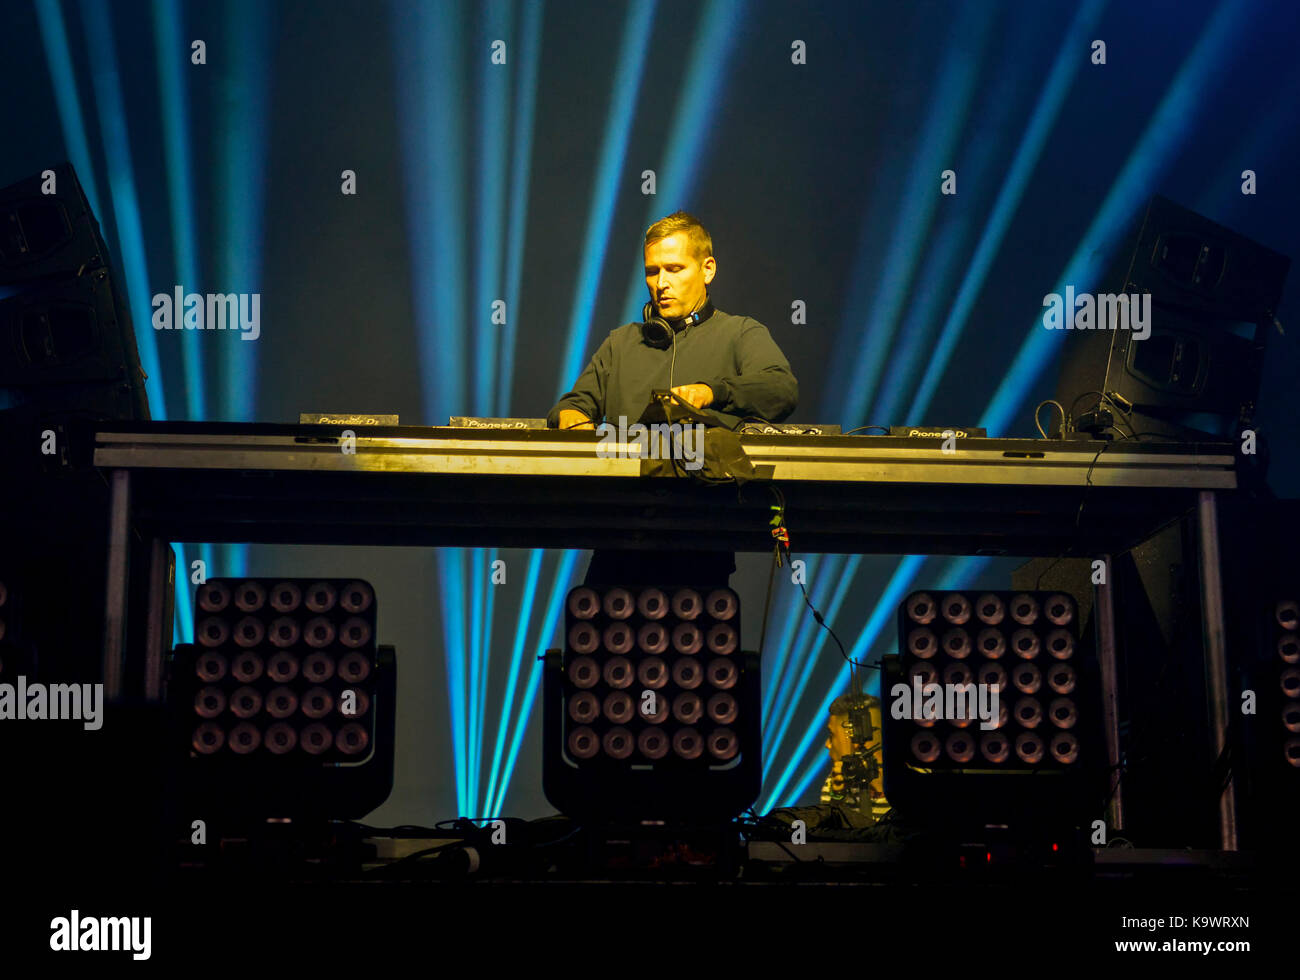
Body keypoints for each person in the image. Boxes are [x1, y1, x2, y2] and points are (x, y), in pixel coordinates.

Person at [547, 211, 798, 587]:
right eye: (652, 271)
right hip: (617, 547)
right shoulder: (621, 343)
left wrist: (714, 391)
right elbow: (572, 404)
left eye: (675, 269)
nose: (661, 283)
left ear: (707, 269)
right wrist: (571, 419)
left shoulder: (741, 333)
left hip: (702, 549)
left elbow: (781, 389)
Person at [821, 693, 890, 823]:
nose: (827, 744)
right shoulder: (834, 781)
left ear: (856, 740)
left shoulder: (915, 780)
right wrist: (837, 797)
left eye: (832, 735)